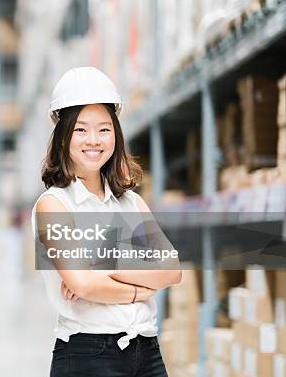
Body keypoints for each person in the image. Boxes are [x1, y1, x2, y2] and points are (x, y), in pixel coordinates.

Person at [31, 67, 182, 377]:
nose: (94, 140)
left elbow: (172, 269)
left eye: (104, 129)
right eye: (81, 130)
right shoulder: (54, 206)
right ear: (63, 137)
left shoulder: (131, 202)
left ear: (116, 134)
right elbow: (82, 284)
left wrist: (99, 264)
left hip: (148, 351)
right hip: (88, 355)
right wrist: (141, 284)